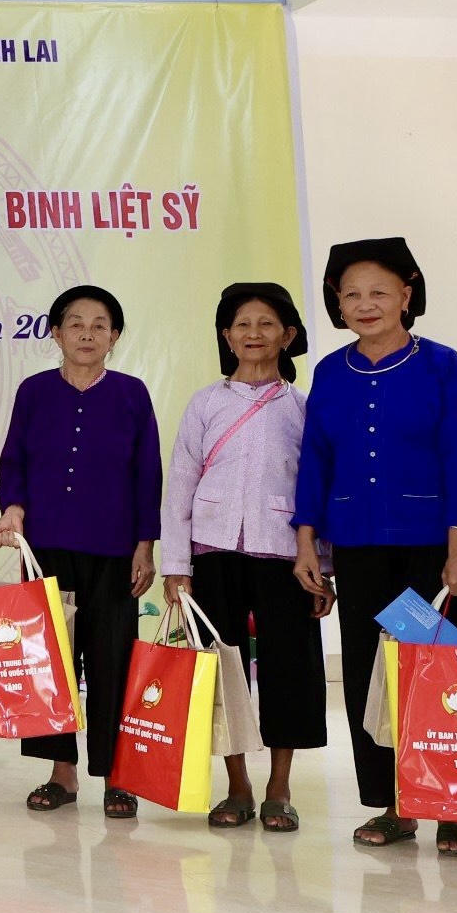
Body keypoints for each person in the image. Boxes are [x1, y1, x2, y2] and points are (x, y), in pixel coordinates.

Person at [294, 237, 457, 858]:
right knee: (371, 675)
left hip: (434, 548)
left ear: (406, 295)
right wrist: (306, 542)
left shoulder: (443, 366)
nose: (365, 304)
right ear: (338, 304)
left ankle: (453, 808)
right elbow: (314, 463)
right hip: (360, 547)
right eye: (351, 294)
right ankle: (394, 804)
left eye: (379, 291)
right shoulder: (331, 373)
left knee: (444, 675)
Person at [160, 281, 327, 832]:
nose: (253, 334)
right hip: (213, 555)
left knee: (290, 669)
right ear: (227, 337)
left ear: (288, 335)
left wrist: (323, 566)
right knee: (221, 671)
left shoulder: (304, 408)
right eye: (242, 325)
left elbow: (318, 489)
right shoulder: (205, 403)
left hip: (285, 555)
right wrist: (176, 565)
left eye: (266, 324)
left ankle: (280, 787)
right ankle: (237, 785)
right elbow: (180, 484)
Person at [0, 285, 163, 818]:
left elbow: (147, 472)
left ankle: (117, 775)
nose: (87, 334)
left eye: (99, 325)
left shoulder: (132, 393)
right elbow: (14, 460)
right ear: (56, 332)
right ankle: (60, 773)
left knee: (113, 660)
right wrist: (13, 507)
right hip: (45, 548)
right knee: (49, 661)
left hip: (114, 550)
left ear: (114, 336)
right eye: (75, 323)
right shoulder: (34, 391)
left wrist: (145, 545)